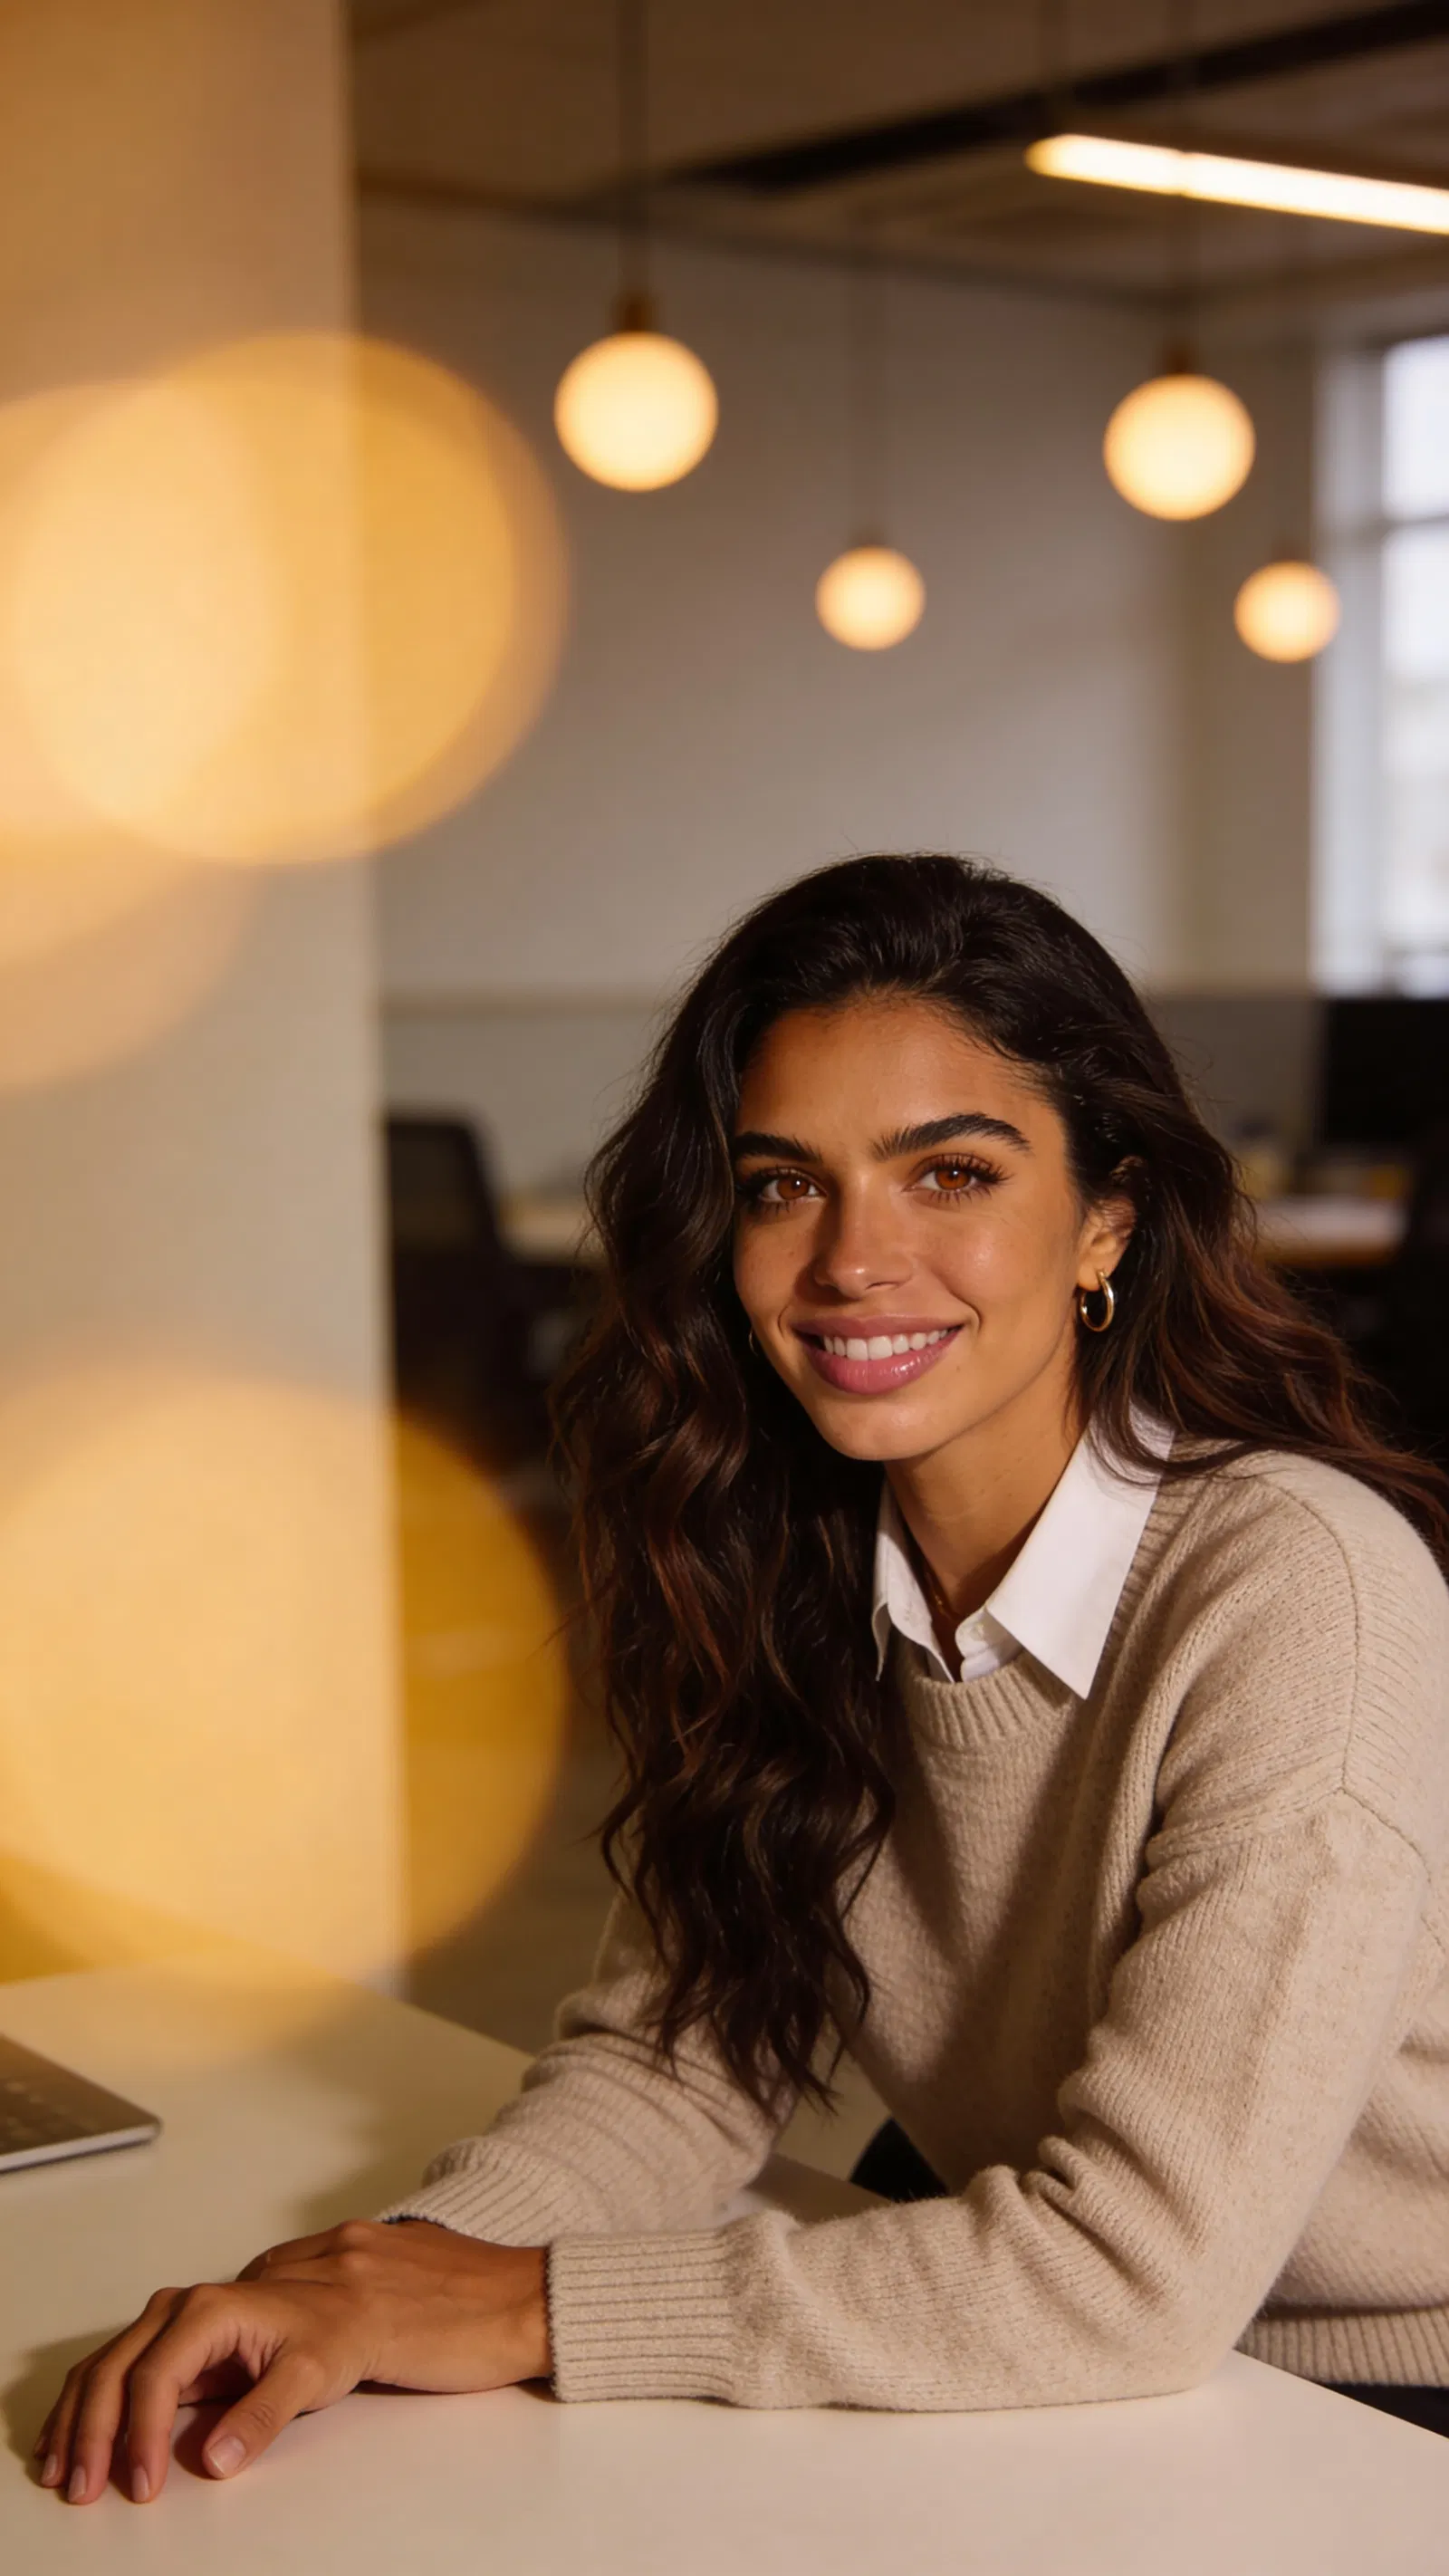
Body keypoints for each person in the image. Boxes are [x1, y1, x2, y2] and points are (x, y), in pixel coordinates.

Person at [39, 856, 1449, 2504]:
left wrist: (528, 2308)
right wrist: (383, 2277)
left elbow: (1132, 2278)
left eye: (952, 1174)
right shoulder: (787, 1559)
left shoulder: (1294, 1587)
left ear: (1107, 1223)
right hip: (1058, 2344)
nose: (854, 1257)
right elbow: (686, 2053)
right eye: (785, 1185)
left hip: (1371, 2387)